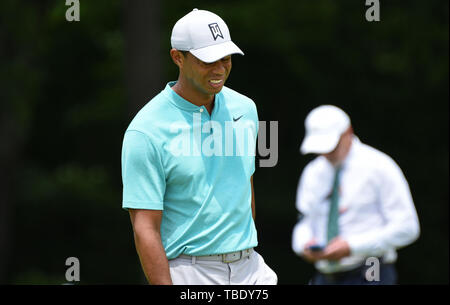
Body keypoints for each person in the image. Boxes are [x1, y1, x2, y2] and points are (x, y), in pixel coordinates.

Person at [121, 8, 277, 285]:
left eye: (226, 58)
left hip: (251, 268)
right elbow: (145, 227)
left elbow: (244, 182)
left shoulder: (246, 108)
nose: (219, 69)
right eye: (208, 60)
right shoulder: (146, 130)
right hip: (190, 272)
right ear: (177, 57)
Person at [292, 105, 420, 285]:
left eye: (331, 146)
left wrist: (352, 247)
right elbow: (304, 221)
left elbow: (408, 227)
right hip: (325, 277)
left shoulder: (379, 166)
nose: (326, 153)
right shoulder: (313, 172)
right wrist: (303, 245)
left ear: (348, 132)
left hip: (371, 272)